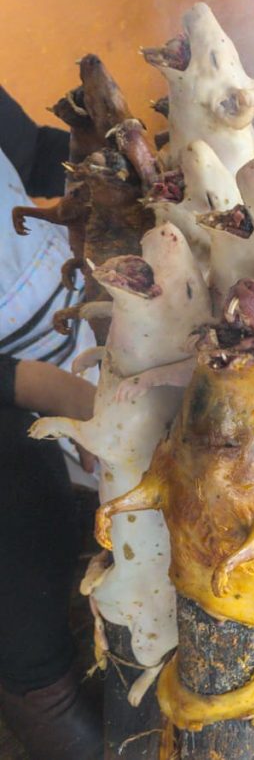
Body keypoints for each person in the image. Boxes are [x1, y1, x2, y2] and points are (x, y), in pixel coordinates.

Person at [0, 86, 102, 760]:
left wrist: (98, 165)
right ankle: (39, 688)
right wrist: (51, 392)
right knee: (20, 486)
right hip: (10, 396)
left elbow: (34, 153)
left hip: (68, 319)